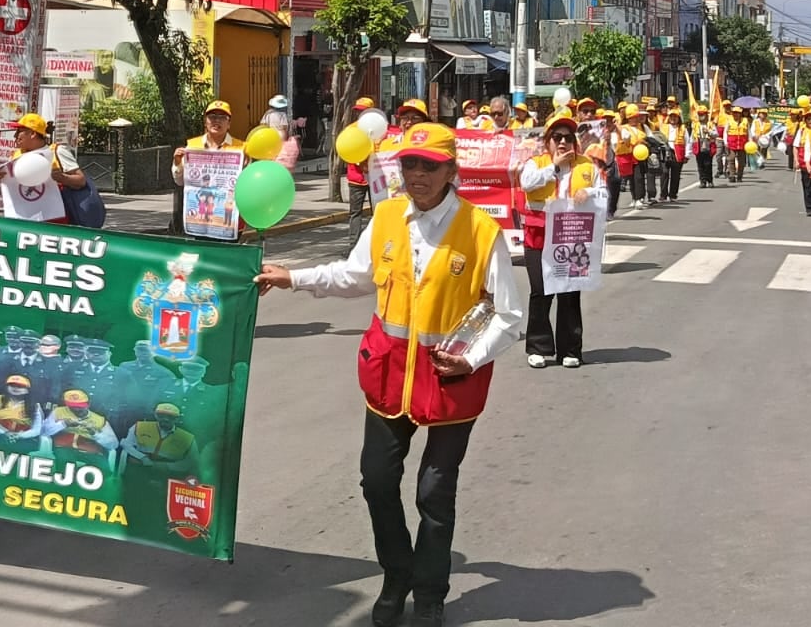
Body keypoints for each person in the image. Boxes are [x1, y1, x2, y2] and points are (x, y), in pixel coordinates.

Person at [254, 122, 524, 627]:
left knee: (434, 494)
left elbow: (509, 315)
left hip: (450, 380)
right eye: (409, 164)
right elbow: (353, 276)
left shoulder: (481, 231)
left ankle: (430, 593)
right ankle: (396, 572)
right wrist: (293, 277)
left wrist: (471, 358)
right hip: (389, 374)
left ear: (451, 171)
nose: (417, 174)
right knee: (377, 481)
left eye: (429, 165)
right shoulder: (387, 217)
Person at [518, 111, 601, 369]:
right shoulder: (536, 162)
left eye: (567, 137)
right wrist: (553, 167)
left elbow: (602, 191)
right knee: (541, 292)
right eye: (557, 137)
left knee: (569, 294)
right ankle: (538, 347)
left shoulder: (587, 165)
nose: (563, 142)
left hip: (571, 238)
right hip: (539, 236)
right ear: (548, 141)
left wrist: (587, 192)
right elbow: (527, 183)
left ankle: (570, 349)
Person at [1, 113, 87, 223]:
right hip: (24, 221)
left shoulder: (57, 152)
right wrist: (1, 180)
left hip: (54, 222)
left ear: (32, 134)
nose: (15, 136)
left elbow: (81, 181)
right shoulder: (14, 157)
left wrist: (63, 178)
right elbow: (8, 194)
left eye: (19, 132)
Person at [172, 100, 243, 185]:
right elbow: (180, 182)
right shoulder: (192, 146)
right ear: (205, 122)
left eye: (222, 117)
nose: (217, 120)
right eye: (212, 117)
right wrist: (178, 163)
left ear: (229, 124)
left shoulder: (240, 148)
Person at [346, 96, 378, 250]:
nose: (360, 115)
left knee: (378, 213)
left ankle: (376, 245)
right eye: (358, 112)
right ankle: (353, 246)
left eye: (363, 112)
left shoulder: (380, 129)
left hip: (376, 177)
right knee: (355, 213)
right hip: (356, 177)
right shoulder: (351, 129)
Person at [692, 107, 717, 190]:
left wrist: (709, 132)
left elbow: (716, 134)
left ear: (706, 114)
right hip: (698, 145)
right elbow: (692, 136)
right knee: (700, 165)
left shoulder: (710, 124)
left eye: (702, 114)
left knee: (708, 164)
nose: (701, 116)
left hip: (708, 144)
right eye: (699, 114)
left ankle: (710, 180)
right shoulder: (695, 124)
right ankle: (702, 181)